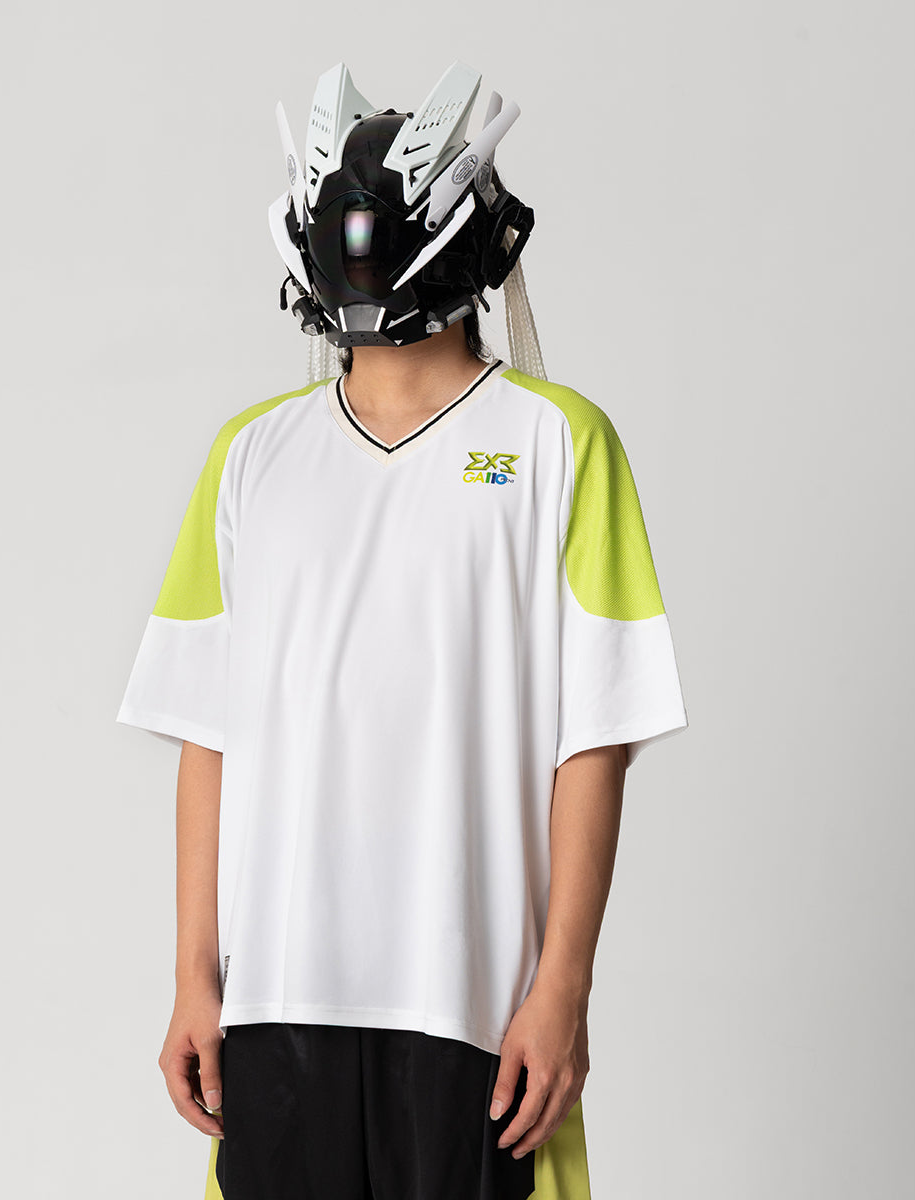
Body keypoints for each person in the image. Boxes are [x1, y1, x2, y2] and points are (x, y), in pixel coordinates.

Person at [117, 60, 689, 1199]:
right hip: (277, 998)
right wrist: (192, 978)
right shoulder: (252, 457)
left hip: (474, 1003)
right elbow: (206, 736)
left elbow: (597, 739)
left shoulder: (557, 443)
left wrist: (563, 988)